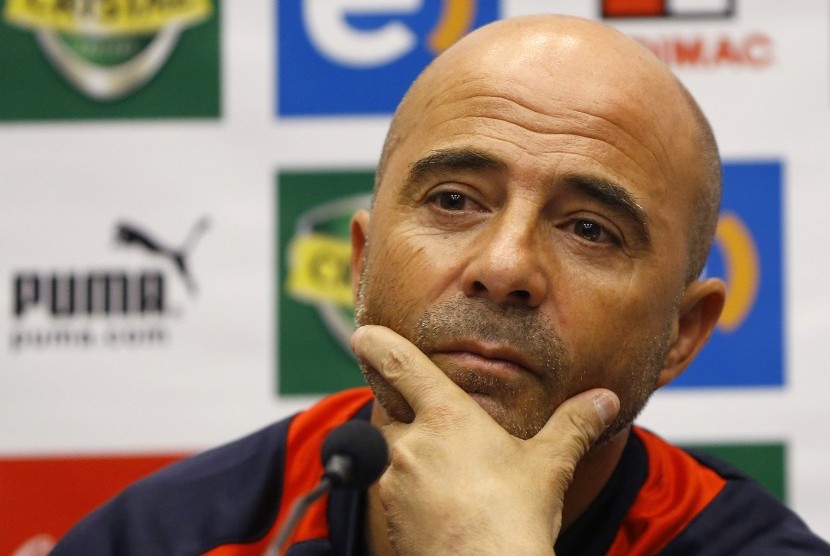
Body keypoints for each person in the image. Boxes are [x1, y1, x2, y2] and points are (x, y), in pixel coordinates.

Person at [52, 14, 829, 556]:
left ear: (682, 335)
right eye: (454, 201)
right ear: (361, 264)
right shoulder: (170, 537)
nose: (504, 267)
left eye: (590, 228)